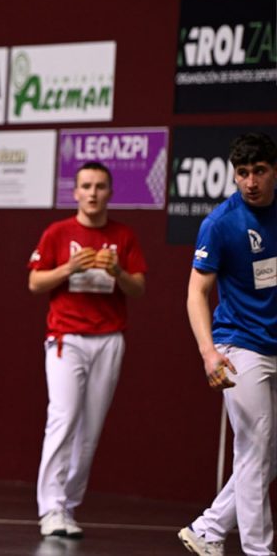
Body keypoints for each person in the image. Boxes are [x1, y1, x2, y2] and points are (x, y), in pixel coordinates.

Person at [27, 161, 147, 539]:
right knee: (63, 418)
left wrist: (118, 273)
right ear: (75, 192)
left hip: (109, 339)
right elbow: (35, 282)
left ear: (110, 192)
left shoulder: (123, 235)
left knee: (90, 430)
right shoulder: (58, 232)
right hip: (66, 338)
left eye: (99, 186)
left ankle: (68, 506)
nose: (93, 193)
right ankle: (50, 509)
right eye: (86, 186)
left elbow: (138, 288)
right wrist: (69, 267)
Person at [178, 132, 276, 556]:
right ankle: (258, 551)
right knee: (254, 449)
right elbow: (196, 293)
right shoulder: (219, 223)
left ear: (274, 171)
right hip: (239, 345)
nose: (250, 182)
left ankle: (209, 528)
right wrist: (208, 353)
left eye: (259, 171)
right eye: (243, 173)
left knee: (269, 453)